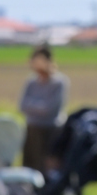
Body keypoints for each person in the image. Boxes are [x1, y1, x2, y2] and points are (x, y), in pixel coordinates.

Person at [19, 45, 69, 173]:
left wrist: (34, 105)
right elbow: (22, 106)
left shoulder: (59, 82)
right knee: (30, 166)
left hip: (51, 130)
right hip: (32, 129)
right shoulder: (31, 82)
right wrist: (41, 106)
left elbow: (51, 109)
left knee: (48, 167)